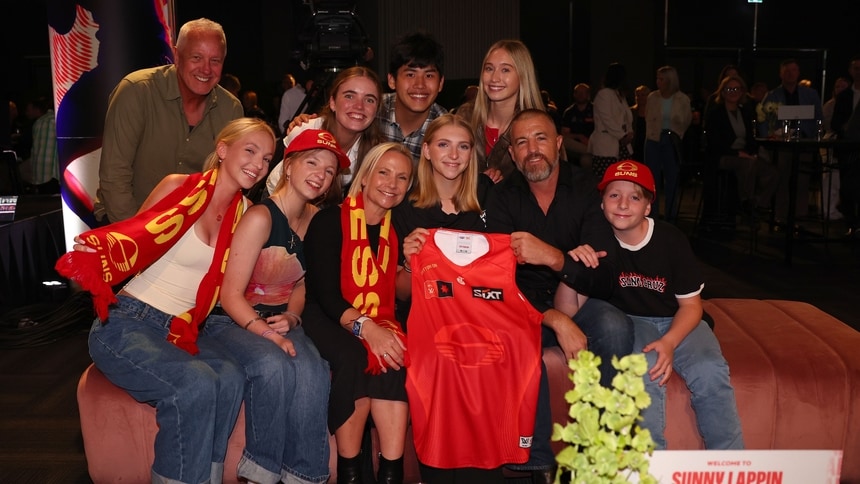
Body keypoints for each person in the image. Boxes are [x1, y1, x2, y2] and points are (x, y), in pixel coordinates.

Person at [57, 118, 275, 484]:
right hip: (127, 321)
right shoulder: (178, 187)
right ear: (223, 150)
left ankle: (205, 477)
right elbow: (135, 237)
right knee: (196, 384)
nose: (258, 164)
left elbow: (237, 283)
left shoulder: (245, 216)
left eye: (267, 158)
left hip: (180, 329)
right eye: (250, 150)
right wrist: (101, 249)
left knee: (231, 377)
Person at [485, 109, 633, 484]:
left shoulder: (587, 190)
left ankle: (596, 454)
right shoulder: (502, 198)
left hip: (582, 299)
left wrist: (553, 258)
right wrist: (556, 319)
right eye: (521, 142)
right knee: (514, 338)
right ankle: (534, 465)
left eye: (540, 138)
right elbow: (499, 284)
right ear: (513, 154)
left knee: (614, 326)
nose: (532, 149)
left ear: (559, 143)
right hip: (525, 307)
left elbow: (605, 278)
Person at [217, 129, 351, 484]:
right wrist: (266, 333)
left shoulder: (317, 219)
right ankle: (260, 473)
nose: (320, 175)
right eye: (312, 163)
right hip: (233, 320)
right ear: (288, 166)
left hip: (282, 319)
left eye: (329, 171)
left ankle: (304, 476)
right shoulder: (261, 217)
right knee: (273, 364)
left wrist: (292, 315)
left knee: (314, 371)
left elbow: (303, 283)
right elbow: (229, 295)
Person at [584, 159, 744, 450]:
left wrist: (669, 342)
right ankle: (652, 462)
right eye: (614, 195)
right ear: (602, 202)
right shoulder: (595, 240)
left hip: (679, 317)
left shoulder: (670, 239)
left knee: (710, 369)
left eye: (635, 197)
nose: (623, 204)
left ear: (648, 206)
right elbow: (575, 303)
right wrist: (570, 264)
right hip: (632, 321)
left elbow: (691, 306)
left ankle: (730, 462)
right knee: (645, 368)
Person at [393, 114, 510, 483]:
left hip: (484, 317)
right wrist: (409, 264)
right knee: (443, 363)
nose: (454, 155)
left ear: (472, 154)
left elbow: (506, 268)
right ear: (426, 150)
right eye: (443, 145)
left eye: (463, 146)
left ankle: (487, 470)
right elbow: (400, 292)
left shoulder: (488, 194)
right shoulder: (406, 207)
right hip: (428, 322)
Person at [302, 142, 415, 484]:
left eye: (402, 178)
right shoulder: (329, 220)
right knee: (355, 356)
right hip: (326, 314)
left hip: (377, 315)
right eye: (384, 173)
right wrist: (367, 328)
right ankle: (349, 473)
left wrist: (412, 263)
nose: (391, 184)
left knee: (395, 356)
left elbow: (401, 294)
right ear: (364, 177)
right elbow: (326, 295)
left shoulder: (397, 228)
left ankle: (391, 473)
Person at [96, 18, 243, 223]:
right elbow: (114, 177)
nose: (206, 69)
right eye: (196, 57)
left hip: (191, 228)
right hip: (126, 221)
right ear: (177, 56)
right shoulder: (136, 91)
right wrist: (136, 235)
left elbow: (229, 184)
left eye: (215, 61)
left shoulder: (231, 109)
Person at [267, 66, 386, 195]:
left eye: (369, 100)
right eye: (349, 96)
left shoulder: (374, 150)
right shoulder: (306, 129)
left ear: (377, 109)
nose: (359, 106)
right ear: (333, 102)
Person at [758, 59, 824, 223]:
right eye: (786, 71)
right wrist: (769, 138)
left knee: (802, 182)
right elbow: (763, 120)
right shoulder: (772, 95)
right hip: (782, 146)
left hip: (804, 144)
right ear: (780, 74)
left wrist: (813, 136)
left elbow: (819, 118)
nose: (790, 74)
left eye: (793, 70)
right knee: (782, 180)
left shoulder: (811, 94)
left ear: (798, 73)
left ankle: (799, 219)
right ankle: (781, 218)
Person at [471, 39, 545, 181]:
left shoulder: (539, 126)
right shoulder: (465, 117)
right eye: (489, 69)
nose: (494, 78)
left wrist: (506, 186)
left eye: (505, 70)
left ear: (523, 75)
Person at [704, 75, 778, 214]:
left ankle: (757, 204)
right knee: (748, 164)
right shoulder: (716, 114)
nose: (733, 92)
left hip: (745, 154)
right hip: (723, 155)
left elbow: (751, 138)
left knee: (772, 172)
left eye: (736, 89)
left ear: (742, 92)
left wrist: (752, 153)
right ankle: (745, 202)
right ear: (723, 92)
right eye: (729, 89)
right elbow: (714, 142)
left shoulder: (745, 113)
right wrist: (738, 154)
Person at [378, 31, 447, 163]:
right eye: (410, 75)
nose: (420, 85)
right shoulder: (372, 110)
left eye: (429, 76)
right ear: (392, 80)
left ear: (440, 83)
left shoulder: (445, 129)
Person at [644, 65, 692, 222]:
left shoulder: (682, 99)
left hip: (671, 139)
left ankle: (671, 214)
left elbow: (686, 120)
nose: (658, 82)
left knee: (672, 177)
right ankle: (652, 213)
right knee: (652, 179)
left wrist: (677, 134)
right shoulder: (652, 97)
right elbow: (648, 117)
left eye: (662, 79)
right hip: (653, 139)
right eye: (657, 78)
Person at [831, 56, 860, 238]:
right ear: (850, 71)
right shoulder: (844, 96)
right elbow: (835, 123)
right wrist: (846, 128)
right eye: (856, 68)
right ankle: (851, 223)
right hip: (848, 148)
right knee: (847, 187)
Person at [589, 62, 634, 179]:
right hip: (607, 145)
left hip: (622, 145)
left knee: (623, 179)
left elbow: (627, 116)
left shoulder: (619, 95)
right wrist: (622, 136)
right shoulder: (604, 94)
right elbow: (607, 120)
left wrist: (629, 132)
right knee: (606, 179)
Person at [23, 96, 60, 194]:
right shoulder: (56, 120)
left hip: (40, 173)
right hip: (52, 174)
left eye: (28, 110)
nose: (26, 113)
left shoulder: (39, 122)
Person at [560, 82, 594, 168]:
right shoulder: (569, 112)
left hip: (593, 143)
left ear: (588, 94)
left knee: (586, 160)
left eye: (583, 92)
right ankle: (592, 151)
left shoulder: (596, 110)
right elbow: (565, 133)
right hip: (576, 146)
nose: (580, 95)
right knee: (562, 141)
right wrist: (579, 136)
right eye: (577, 92)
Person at [630, 85, 650, 163]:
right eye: (638, 95)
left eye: (643, 95)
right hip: (635, 144)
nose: (640, 98)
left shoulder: (653, 112)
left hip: (649, 144)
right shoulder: (631, 112)